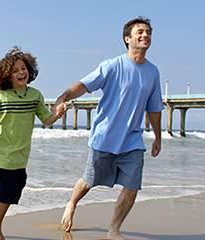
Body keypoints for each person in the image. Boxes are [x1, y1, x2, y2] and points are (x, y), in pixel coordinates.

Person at [53, 16, 163, 240]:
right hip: (105, 137)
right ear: (127, 38)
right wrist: (63, 98)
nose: (145, 35)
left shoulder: (153, 72)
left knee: (132, 186)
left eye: (148, 32)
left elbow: (154, 108)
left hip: (132, 141)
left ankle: (113, 230)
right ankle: (71, 204)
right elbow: (84, 85)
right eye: (140, 32)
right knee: (89, 180)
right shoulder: (113, 65)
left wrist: (158, 137)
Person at [0, 46, 59, 240]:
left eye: (23, 68)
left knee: (16, 189)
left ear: (29, 70)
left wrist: (58, 113)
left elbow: (46, 120)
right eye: (15, 70)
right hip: (0, 153)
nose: (21, 72)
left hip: (21, 155)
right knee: (6, 192)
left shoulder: (35, 95)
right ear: (7, 76)